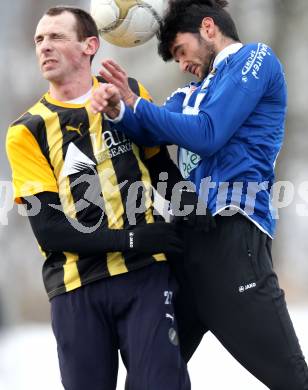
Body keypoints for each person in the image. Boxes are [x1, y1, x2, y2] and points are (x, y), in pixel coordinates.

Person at [90, 0, 308, 388]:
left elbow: (209, 134)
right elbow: (151, 130)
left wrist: (138, 105)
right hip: (187, 243)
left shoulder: (255, 59)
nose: (181, 64)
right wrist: (119, 111)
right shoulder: (190, 93)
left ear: (208, 28)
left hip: (233, 241)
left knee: (292, 379)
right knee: (149, 377)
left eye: (180, 51)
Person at [5, 6, 192, 390]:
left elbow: (161, 169)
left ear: (90, 45)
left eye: (56, 36)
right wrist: (132, 238)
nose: (44, 46)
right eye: (39, 39)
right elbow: (51, 231)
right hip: (76, 290)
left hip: (145, 277)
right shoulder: (27, 130)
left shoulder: (130, 93)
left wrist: (190, 214)